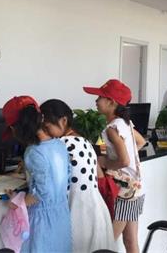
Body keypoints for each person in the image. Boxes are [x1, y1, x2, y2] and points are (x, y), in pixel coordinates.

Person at [39, 99, 115, 253]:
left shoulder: (60, 145)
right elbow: (98, 174)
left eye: (47, 127)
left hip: (77, 213)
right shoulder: (84, 141)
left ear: (63, 121)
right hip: (96, 210)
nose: (46, 134)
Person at [2, 96, 72, 253]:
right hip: (61, 215)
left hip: (41, 220)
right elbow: (66, 177)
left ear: (16, 129)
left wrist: (18, 202)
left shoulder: (33, 152)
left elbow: (42, 192)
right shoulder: (59, 144)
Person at [84, 79, 146, 253]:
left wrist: (105, 163)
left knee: (108, 241)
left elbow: (124, 161)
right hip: (135, 186)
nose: (96, 101)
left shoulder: (112, 128)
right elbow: (141, 141)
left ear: (111, 102)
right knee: (130, 241)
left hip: (124, 190)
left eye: (99, 97)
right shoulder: (125, 123)